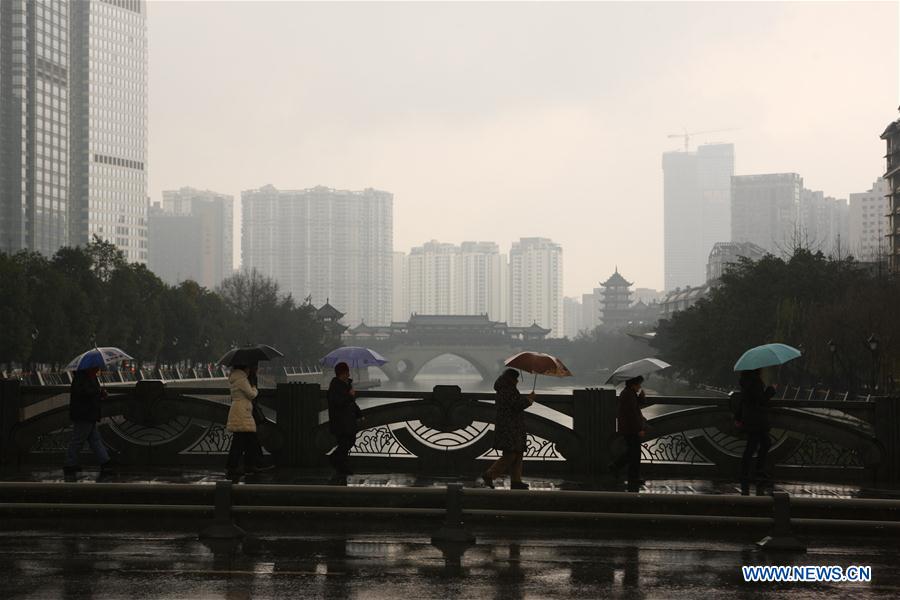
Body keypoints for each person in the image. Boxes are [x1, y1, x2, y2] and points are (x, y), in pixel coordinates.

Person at [481, 368, 535, 490]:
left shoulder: (505, 387)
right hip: (509, 426)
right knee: (510, 454)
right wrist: (529, 399)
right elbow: (515, 405)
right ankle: (489, 474)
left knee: (517, 452)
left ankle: (516, 481)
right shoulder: (506, 389)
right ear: (510, 378)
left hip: (512, 425)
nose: (517, 381)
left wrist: (526, 399)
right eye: (516, 379)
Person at [64, 367, 113, 476]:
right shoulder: (80, 378)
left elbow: (92, 393)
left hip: (89, 413)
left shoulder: (91, 377)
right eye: (95, 367)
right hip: (84, 414)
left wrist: (101, 394)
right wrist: (98, 392)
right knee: (78, 440)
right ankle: (69, 464)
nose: (97, 369)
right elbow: (84, 393)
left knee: (94, 439)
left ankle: (105, 461)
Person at [735, 369, 776, 495]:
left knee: (760, 444)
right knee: (756, 445)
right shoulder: (754, 382)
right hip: (756, 420)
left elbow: (743, 401)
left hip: (751, 418)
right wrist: (771, 390)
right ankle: (751, 473)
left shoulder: (746, 381)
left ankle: (753, 472)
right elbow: (761, 400)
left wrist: (738, 417)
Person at [225, 364, 265, 480]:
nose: (249, 370)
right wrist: (254, 388)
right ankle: (236, 466)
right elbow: (251, 395)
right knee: (241, 442)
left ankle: (249, 465)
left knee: (247, 440)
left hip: (239, 410)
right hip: (242, 411)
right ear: (244, 368)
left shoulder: (235, 378)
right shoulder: (242, 380)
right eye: (248, 368)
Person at [610, 376, 647, 492]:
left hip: (628, 428)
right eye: (638, 384)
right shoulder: (628, 395)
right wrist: (639, 429)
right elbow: (632, 415)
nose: (639, 386)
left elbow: (636, 406)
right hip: (630, 429)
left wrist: (641, 396)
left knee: (632, 452)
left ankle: (617, 467)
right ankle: (631, 476)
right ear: (633, 384)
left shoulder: (629, 393)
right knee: (635, 454)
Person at [327, 362, 362, 476]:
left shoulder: (347, 384)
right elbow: (339, 402)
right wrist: (350, 395)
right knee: (345, 443)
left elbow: (351, 403)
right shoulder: (335, 386)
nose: (349, 373)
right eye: (347, 372)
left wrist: (359, 414)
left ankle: (339, 464)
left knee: (349, 441)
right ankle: (339, 464)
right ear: (343, 373)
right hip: (340, 421)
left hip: (348, 420)